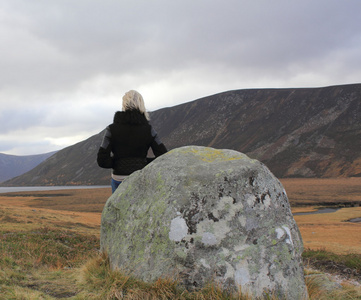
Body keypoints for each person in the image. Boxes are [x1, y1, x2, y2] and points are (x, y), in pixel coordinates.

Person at [97, 90, 167, 193]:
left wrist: (118, 163)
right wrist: (142, 162)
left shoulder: (111, 130)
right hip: (140, 178)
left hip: (118, 179)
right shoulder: (149, 130)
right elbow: (163, 155)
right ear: (141, 104)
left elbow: (102, 160)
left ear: (124, 105)